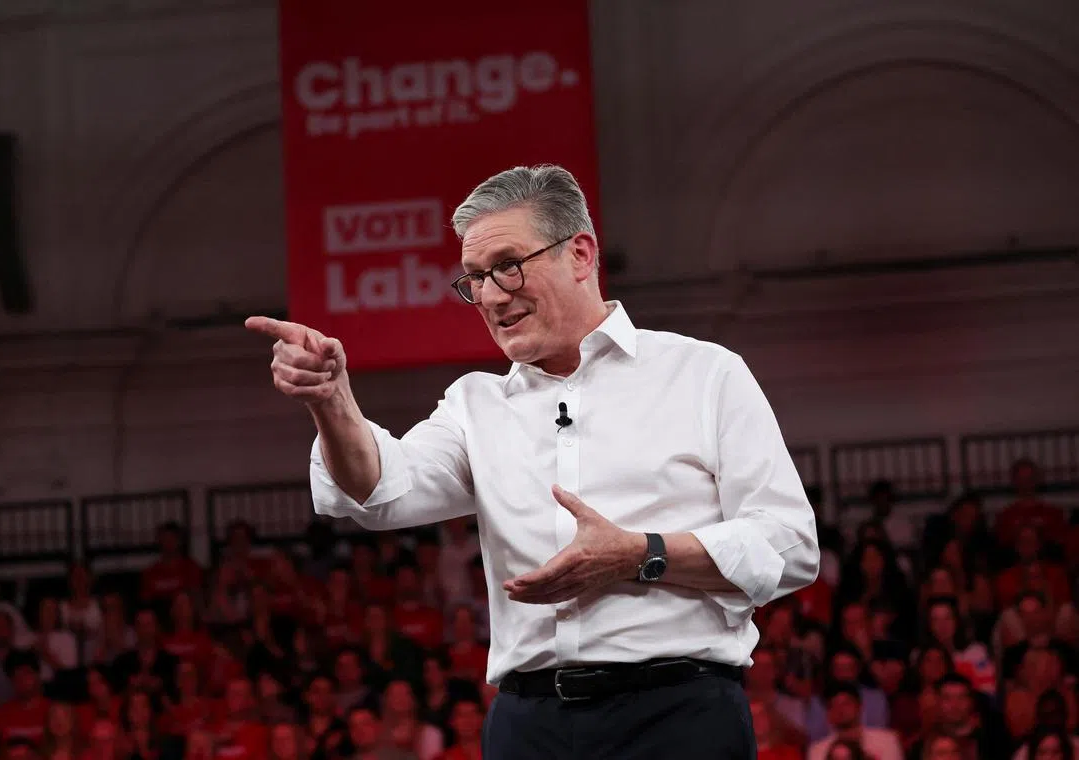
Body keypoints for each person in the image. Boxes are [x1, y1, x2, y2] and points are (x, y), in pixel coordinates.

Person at [247, 164, 819, 759]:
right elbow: (378, 490)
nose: (491, 295)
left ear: (580, 253)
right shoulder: (475, 405)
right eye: (475, 279)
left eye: (508, 266)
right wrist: (332, 400)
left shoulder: (705, 374)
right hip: (528, 728)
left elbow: (790, 545)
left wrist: (641, 555)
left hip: (677, 719)